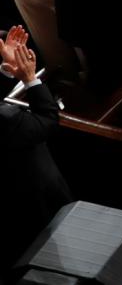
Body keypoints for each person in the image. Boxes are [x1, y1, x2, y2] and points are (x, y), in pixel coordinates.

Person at [0, 26, 73, 268]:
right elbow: (48, 120)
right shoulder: (8, 120)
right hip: (36, 207)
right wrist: (29, 77)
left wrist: (8, 69)